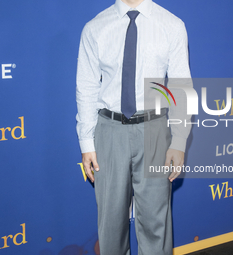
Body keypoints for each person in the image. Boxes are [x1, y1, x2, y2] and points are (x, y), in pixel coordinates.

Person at [76, 0, 191, 254]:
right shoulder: (95, 27)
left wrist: (179, 140)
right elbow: (86, 87)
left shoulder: (171, 25)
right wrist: (86, 142)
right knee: (110, 225)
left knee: (155, 223)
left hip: (155, 130)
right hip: (109, 130)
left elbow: (181, 86)